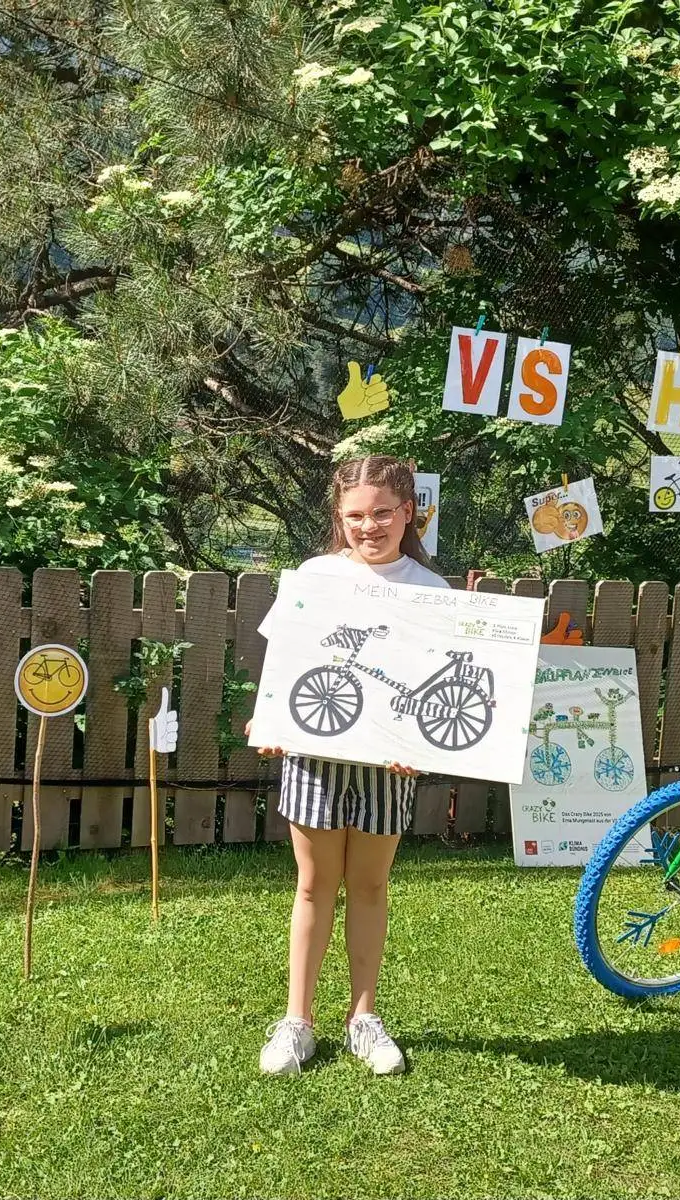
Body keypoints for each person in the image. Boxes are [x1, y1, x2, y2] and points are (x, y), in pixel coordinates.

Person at [246, 455, 450, 1077]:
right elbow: (284, 658)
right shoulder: (313, 575)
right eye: (355, 515)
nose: (370, 526)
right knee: (312, 886)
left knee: (369, 887)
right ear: (339, 517)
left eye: (383, 512)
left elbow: (435, 683)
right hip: (314, 754)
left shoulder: (431, 589)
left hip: (388, 765)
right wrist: (270, 718)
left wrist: (421, 746)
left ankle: (363, 1017)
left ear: (408, 511)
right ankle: (297, 1022)